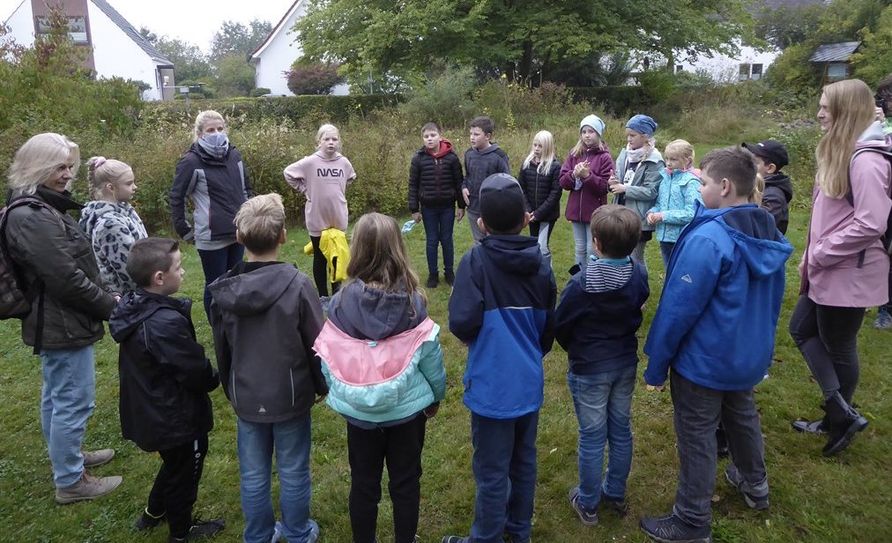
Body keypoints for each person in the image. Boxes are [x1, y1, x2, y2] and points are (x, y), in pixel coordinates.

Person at [639, 146, 792, 543]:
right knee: (741, 417)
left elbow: (678, 308)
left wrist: (657, 363)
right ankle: (754, 483)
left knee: (697, 433)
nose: (698, 188)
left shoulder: (709, 238)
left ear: (724, 186)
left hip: (704, 362)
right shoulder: (766, 230)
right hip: (745, 357)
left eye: (703, 182)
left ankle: (691, 519)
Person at [314, 212, 446, 543]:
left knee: (363, 482)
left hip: (359, 414)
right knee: (405, 481)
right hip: (406, 413)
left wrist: (339, 393)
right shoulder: (415, 302)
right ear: (397, 248)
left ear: (357, 249)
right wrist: (436, 396)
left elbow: (329, 354)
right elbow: (431, 358)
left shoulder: (341, 301)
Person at [4, 132, 121, 504]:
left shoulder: (39, 206)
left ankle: (69, 456)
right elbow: (65, 279)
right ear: (36, 166)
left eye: (69, 165)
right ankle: (71, 481)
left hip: (58, 318)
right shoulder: (32, 216)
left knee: (57, 395)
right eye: (58, 166)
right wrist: (109, 304)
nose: (67, 174)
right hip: (61, 320)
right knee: (73, 399)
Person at [443, 173, 556, 543]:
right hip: (527, 383)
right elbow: (546, 331)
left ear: (481, 223)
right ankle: (517, 532)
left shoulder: (475, 261)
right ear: (527, 218)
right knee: (523, 462)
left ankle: (487, 537)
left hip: (492, 387)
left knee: (492, 471)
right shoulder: (542, 264)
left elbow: (461, 322)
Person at [208, 194, 327, 543]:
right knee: (292, 469)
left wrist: (231, 388)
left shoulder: (225, 290)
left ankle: (260, 535)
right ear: (283, 236)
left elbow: (221, 349)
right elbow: (318, 344)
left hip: (247, 393)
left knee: (254, 472)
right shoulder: (300, 285)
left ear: (239, 238)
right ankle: (297, 532)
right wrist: (321, 386)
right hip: (288, 395)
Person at [788, 79, 891, 454]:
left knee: (839, 345)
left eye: (826, 108)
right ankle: (840, 412)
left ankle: (840, 418)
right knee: (802, 328)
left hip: (850, 271)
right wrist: (814, 252)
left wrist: (822, 251)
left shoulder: (865, 160)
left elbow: (871, 222)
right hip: (831, 266)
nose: (818, 114)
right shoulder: (844, 151)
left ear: (846, 111)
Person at [110, 238, 224, 543]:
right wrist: (215, 377)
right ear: (159, 278)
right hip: (174, 418)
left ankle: (153, 513)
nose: (183, 271)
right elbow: (193, 369)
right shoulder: (163, 324)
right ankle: (181, 532)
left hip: (150, 408)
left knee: (174, 463)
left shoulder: (135, 306)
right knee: (185, 472)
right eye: (178, 267)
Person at [554, 204, 649, 526]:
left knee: (593, 436)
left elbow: (561, 323)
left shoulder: (581, 285)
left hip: (590, 368)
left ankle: (590, 502)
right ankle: (614, 493)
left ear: (595, 242)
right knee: (620, 429)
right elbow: (640, 301)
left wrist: (576, 350)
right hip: (623, 362)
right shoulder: (639, 272)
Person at [170, 110, 252, 318]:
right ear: (199, 134)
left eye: (220, 128)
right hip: (211, 236)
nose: (216, 133)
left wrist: (251, 218)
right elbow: (177, 196)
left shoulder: (234, 155)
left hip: (238, 231)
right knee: (215, 284)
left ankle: (234, 322)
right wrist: (183, 228)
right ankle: (218, 326)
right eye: (210, 130)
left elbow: (246, 190)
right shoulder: (190, 162)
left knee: (235, 280)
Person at [284, 123, 357, 301]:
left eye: (334, 139)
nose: (331, 143)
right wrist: (304, 189)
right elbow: (288, 173)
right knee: (320, 256)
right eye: (326, 139)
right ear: (319, 142)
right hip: (317, 216)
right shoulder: (310, 162)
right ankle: (323, 296)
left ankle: (337, 294)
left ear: (339, 141)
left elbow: (351, 178)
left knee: (336, 255)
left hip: (337, 216)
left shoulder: (344, 162)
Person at [408, 122, 466, 288]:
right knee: (432, 241)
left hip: (448, 207)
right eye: (426, 136)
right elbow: (413, 184)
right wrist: (414, 209)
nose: (429, 139)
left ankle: (449, 273)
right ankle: (433, 274)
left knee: (447, 240)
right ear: (423, 139)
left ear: (440, 136)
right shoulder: (418, 159)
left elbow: (458, 182)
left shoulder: (451, 158)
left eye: (433, 135)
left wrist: (461, 206)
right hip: (428, 208)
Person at [78, 156, 148, 294]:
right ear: (110, 187)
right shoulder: (110, 224)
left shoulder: (124, 212)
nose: (135, 187)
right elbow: (128, 270)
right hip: (131, 298)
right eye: (129, 183)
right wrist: (152, 291)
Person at [608, 114, 663, 269]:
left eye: (633, 135)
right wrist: (613, 182)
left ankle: (639, 288)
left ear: (645, 136)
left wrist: (625, 189)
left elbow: (651, 191)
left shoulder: (654, 160)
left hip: (639, 218)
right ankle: (623, 284)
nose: (629, 139)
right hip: (620, 213)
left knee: (635, 257)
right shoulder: (625, 153)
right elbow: (619, 177)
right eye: (628, 136)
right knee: (620, 254)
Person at [559, 115, 613, 274]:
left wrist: (587, 176)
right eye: (584, 131)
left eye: (591, 131)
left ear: (599, 134)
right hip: (576, 211)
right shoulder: (574, 154)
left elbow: (604, 187)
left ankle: (592, 277)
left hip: (595, 212)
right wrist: (573, 175)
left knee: (592, 248)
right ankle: (579, 280)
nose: (587, 135)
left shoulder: (605, 157)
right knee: (580, 247)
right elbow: (563, 181)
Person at [645, 140, 702, 267]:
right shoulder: (665, 178)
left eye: (674, 159)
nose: (669, 163)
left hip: (682, 238)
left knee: (682, 273)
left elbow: (693, 213)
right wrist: (653, 212)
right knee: (669, 271)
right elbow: (660, 203)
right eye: (667, 158)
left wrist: (663, 216)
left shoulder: (691, 182)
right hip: (665, 237)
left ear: (687, 161)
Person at [462, 116, 510, 243]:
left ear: (488, 136)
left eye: (476, 134)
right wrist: (463, 187)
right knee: (478, 243)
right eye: (471, 134)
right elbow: (467, 176)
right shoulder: (469, 154)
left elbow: (507, 183)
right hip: (473, 207)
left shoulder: (499, 156)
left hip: (492, 209)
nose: (472, 137)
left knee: (494, 242)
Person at [518, 130, 562, 267]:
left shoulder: (555, 166)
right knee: (533, 244)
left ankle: (547, 276)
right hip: (531, 214)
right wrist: (529, 210)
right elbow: (521, 188)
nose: (536, 149)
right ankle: (535, 273)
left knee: (542, 247)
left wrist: (539, 213)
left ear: (547, 147)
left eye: (540, 146)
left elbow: (555, 193)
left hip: (547, 215)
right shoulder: (526, 164)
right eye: (535, 145)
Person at [872, 73, 892, 330]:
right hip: (884, 193)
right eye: (885, 97)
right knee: (882, 247)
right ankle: (883, 305)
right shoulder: (880, 122)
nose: (886, 102)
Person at [741, 140, 793, 234]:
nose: (747, 165)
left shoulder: (773, 197)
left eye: (754, 162)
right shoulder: (757, 186)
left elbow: (757, 227)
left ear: (770, 168)